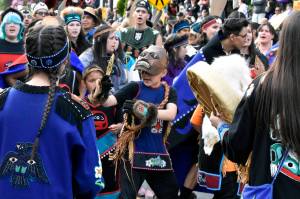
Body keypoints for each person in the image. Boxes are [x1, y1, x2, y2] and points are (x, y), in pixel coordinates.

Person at [0, 18, 104, 198]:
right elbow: (89, 182)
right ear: (65, 60)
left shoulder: (3, 101)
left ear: (28, 59)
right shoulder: (76, 111)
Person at [209, 11, 300, 199]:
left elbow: (237, 147)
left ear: (284, 42)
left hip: (271, 188)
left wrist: (221, 126)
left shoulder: (261, 86)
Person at [172, 17, 249, 198]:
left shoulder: (232, 54)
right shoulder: (209, 54)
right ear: (232, 36)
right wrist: (208, 131)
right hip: (212, 125)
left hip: (221, 135)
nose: (247, 38)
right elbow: (191, 93)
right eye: (244, 35)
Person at [100, 45, 179, 199]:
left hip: (158, 153)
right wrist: (101, 92)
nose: (145, 75)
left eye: (151, 72)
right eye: (142, 71)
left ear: (163, 72)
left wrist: (144, 111)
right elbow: (109, 102)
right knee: (127, 196)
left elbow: (170, 114)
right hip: (132, 154)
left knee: (170, 193)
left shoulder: (169, 92)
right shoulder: (134, 87)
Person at [82, 65, 122, 199]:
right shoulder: (79, 104)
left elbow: (124, 124)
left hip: (110, 158)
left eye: (99, 80)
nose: (96, 83)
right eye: (91, 80)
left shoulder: (113, 103)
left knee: (111, 187)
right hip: (88, 157)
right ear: (84, 83)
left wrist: (120, 126)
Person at [79, 24, 127, 92]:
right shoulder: (87, 58)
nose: (115, 41)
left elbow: (123, 83)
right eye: (111, 38)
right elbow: (80, 82)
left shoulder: (116, 59)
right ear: (101, 40)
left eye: (116, 39)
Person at [0, 8, 25, 75]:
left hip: (21, 84)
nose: (12, 25)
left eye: (16, 22)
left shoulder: (28, 46)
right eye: (8, 23)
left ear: (21, 26)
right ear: (3, 26)